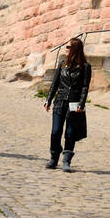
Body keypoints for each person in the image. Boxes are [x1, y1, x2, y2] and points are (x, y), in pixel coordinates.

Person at [44, 37, 93, 171]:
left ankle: (66, 161)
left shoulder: (85, 67)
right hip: (60, 101)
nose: (65, 49)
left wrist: (81, 104)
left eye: (68, 47)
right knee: (55, 132)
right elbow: (55, 84)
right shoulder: (62, 64)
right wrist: (48, 99)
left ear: (75, 49)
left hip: (74, 103)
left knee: (70, 133)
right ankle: (54, 157)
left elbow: (85, 87)